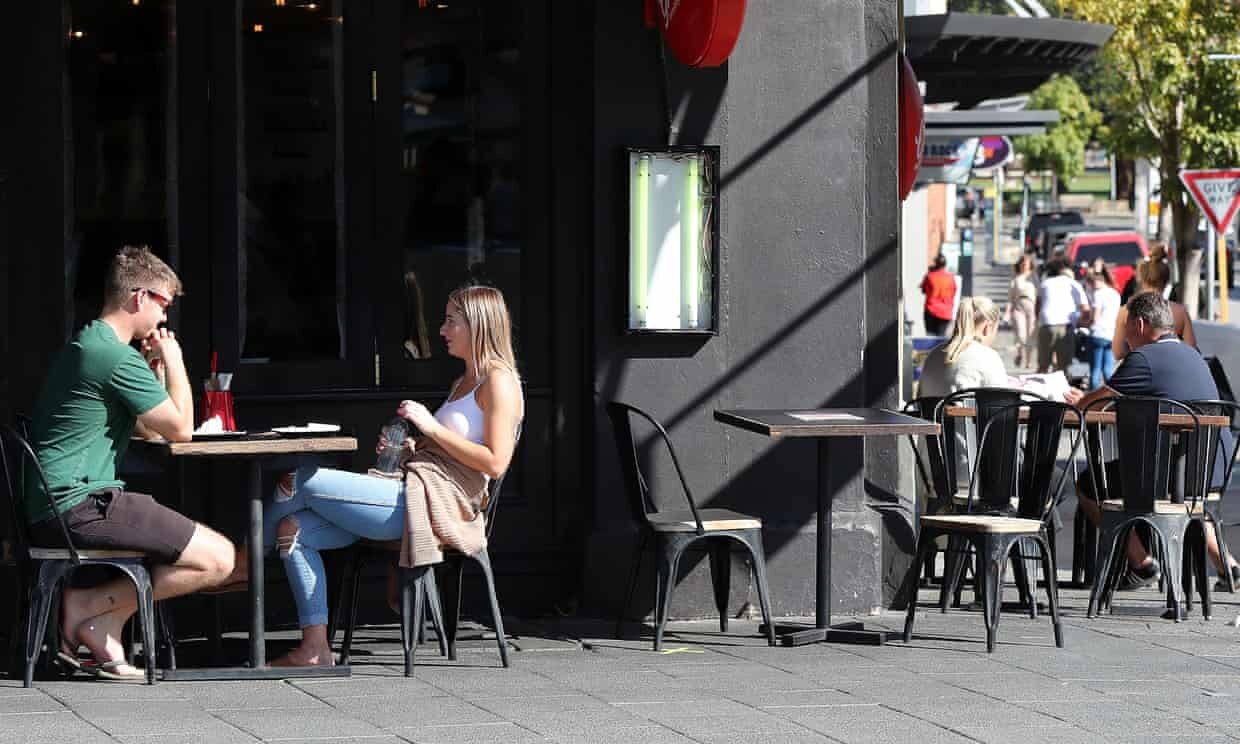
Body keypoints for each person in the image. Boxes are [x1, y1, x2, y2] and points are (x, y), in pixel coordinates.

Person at [220, 285, 523, 667]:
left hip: (432, 507)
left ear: (478, 325)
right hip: (413, 488)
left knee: (299, 480)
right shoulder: (463, 381)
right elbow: (451, 450)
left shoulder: (499, 381)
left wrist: (430, 428)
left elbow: (495, 462)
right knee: (292, 529)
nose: (441, 329)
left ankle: (244, 561)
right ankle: (315, 649)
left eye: (450, 320)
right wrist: (414, 448)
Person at [26, 245, 235, 680]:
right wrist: (174, 360)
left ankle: (102, 621)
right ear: (140, 297)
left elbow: (148, 429)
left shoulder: (91, 343)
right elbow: (179, 429)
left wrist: (155, 370)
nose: (164, 320)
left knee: (214, 556)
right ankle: (86, 608)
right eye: (164, 307)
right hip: (81, 503)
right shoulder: (112, 354)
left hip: (60, 503)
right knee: (220, 559)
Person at [1067, 292, 1237, 590]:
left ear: (1141, 324)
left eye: (1126, 326)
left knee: (1090, 483)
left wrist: (1080, 400)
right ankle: (1227, 565)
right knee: (1186, 498)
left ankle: (1142, 563)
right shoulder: (1194, 356)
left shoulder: (1143, 359)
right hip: (1213, 469)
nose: (1124, 335)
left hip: (1173, 475)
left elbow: (1093, 405)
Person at [917, 297, 1010, 397]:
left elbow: (919, 396)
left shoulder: (933, 354)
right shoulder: (989, 357)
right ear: (987, 328)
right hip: (967, 412)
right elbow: (1001, 402)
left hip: (929, 412)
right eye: (996, 329)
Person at [1112, 253, 1196, 361]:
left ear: (1141, 280)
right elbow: (1191, 349)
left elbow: (1118, 353)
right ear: (1165, 281)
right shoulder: (1179, 311)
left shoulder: (1125, 311)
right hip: (1173, 365)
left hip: (1140, 368)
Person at [1035, 255, 1089, 374]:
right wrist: (1083, 323)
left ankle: (1038, 389)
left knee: (1043, 365)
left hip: (1046, 325)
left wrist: (1038, 321)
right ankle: (1061, 390)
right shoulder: (1073, 284)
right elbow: (1085, 309)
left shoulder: (1045, 283)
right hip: (1065, 326)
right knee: (1064, 367)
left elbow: (1037, 306)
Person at [1084, 266, 1121, 389]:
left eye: (1093, 283)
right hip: (1111, 334)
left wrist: (1085, 324)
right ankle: (1111, 397)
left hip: (1098, 333)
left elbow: (1095, 317)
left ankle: (1092, 400)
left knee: (1095, 369)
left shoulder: (1098, 294)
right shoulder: (1115, 294)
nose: (1093, 286)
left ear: (1099, 281)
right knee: (1108, 370)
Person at [1007, 255, 1038, 369]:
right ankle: (1020, 354)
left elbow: (1039, 293)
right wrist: (1007, 313)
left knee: (1030, 336)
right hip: (1019, 307)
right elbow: (1010, 298)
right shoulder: (1016, 279)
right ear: (1019, 265)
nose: (1024, 265)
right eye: (1023, 263)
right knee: (1021, 334)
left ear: (1030, 265)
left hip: (1032, 308)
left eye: (1026, 264)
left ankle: (1028, 361)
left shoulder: (1034, 277)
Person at [919, 254, 957, 337]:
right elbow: (954, 292)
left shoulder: (930, 276)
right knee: (941, 337)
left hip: (931, 310)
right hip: (945, 311)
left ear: (935, 263)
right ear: (945, 264)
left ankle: (931, 350)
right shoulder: (950, 278)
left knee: (930, 336)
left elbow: (923, 290)